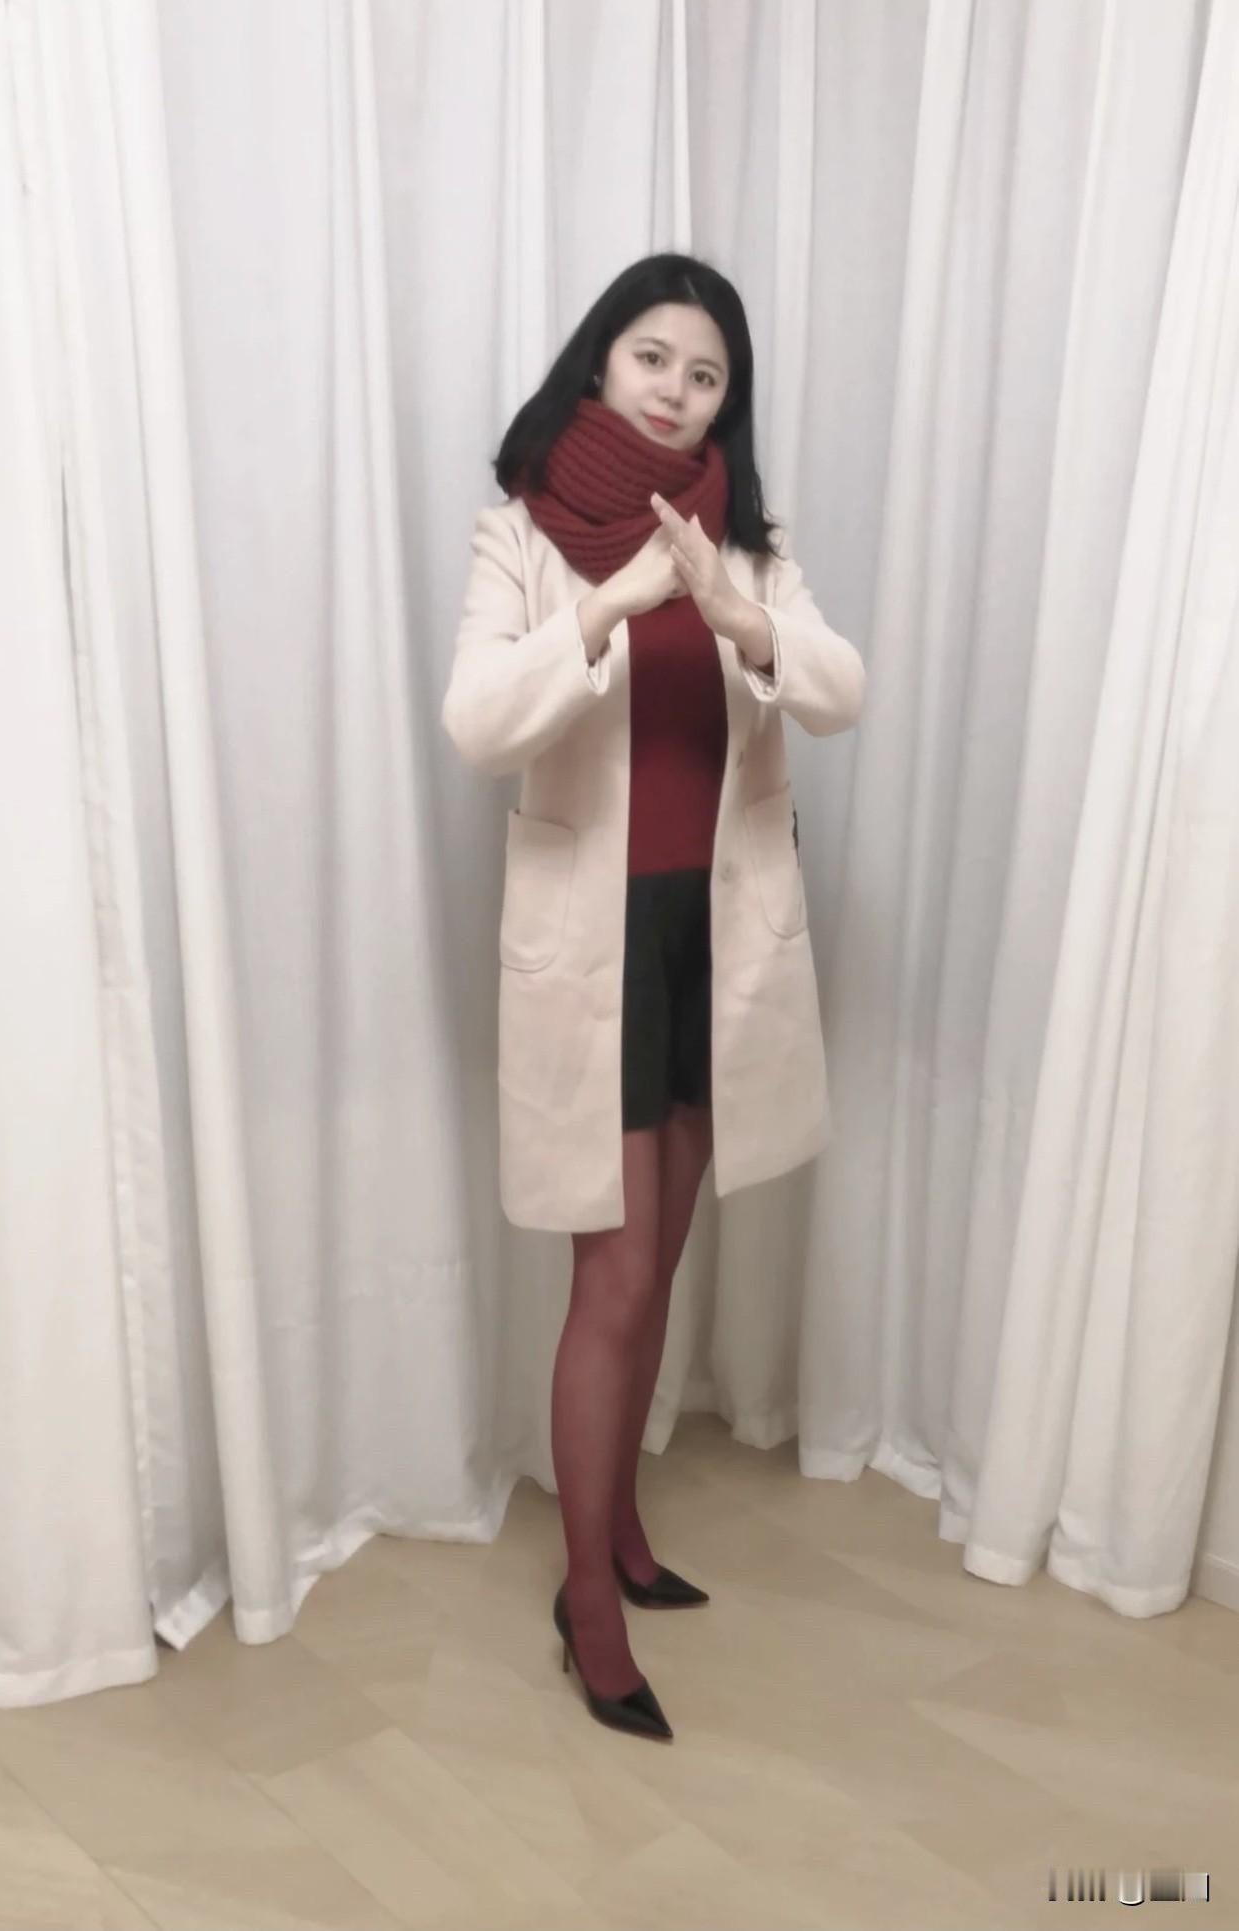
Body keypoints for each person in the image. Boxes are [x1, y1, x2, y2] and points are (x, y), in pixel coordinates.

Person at [441, 252, 866, 1742]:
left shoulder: (746, 540)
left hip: (711, 939)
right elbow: (476, 721)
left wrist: (740, 615)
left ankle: (616, 1526)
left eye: (706, 373)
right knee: (612, 1281)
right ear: (600, 361)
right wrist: (612, 602)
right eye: (652, 359)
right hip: (597, 946)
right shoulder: (522, 532)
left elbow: (840, 687)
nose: (677, 391)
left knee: (664, 1254)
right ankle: (589, 1603)